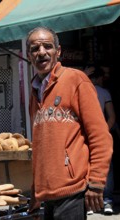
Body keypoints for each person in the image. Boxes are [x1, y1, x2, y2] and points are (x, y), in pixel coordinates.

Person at [26, 27, 113, 219]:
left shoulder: (76, 80)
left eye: (47, 47)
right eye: (35, 49)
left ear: (58, 52)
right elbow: (40, 146)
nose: (41, 52)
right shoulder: (34, 90)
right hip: (46, 193)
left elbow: (100, 135)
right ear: (29, 55)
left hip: (72, 190)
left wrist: (96, 183)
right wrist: (35, 190)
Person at [85, 65, 116, 215]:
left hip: (84, 136)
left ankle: (89, 205)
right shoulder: (104, 92)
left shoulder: (80, 90)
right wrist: (104, 131)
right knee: (106, 167)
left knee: (86, 167)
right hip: (99, 134)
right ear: (97, 78)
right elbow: (112, 116)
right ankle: (107, 201)